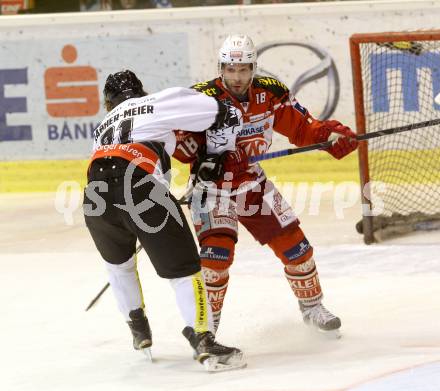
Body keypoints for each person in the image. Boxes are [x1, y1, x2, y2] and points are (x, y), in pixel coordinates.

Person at [173, 35, 358, 336]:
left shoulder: (270, 93)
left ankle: (312, 308)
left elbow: (302, 127)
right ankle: (208, 326)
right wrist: (205, 156)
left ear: (253, 68)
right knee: (216, 256)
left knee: (295, 245)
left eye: (244, 69)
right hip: (212, 188)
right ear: (221, 68)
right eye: (230, 69)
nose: (237, 77)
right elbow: (180, 144)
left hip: (251, 182)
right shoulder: (202, 98)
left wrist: (330, 135)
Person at [83, 70, 246, 371]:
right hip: (140, 188)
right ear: (141, 92)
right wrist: (216, 155)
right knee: (185, 271)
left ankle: (138, 328)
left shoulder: (103, 126)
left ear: (109, 103)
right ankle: (203, 338)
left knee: (119, 266)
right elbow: (221, 111)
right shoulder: (156, 102)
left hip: (95, 197)